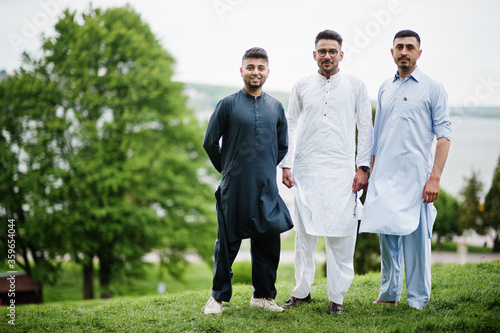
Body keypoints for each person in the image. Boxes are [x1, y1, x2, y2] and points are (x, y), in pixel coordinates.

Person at [280, 30, 373, 315]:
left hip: (342, 172)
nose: (327, 56)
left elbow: (365, 127)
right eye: (322, 51)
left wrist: (363, 168)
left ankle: (337, 298)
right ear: (314, 54)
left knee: (341, 235)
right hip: (306, 169)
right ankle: (302, 291)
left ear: (341, 54)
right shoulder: (302, 85)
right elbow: (290, 124)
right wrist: (286, 162)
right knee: (305, 236)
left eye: (332, 51)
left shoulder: (356, 86)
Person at [359, 30, 452, 310]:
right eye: (399, 47)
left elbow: (444, 135)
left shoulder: (433, 88)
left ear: (419, 53)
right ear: (392, 52)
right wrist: (369, 172)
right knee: (387, 239)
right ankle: (389, 294)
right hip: (383, 177)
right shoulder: (385, 87)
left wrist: (434, 178)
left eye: (410, 47)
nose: (404, 52)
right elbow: (377, 135)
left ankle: (418, 300)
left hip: (415, 179)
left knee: (416, 243)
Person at [202, 47, 293, 315]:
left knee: (268, 240)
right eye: (250, 67)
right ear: (241, 70)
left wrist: (263, 167)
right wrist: (228, 169)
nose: (256, 72)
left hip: (266, 187)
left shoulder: (276, 107)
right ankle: (217, 299)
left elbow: (282, 146)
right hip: (235, 188)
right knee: (227, 244)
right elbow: (209, 142)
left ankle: (263, 296)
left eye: (260, 67)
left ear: (267, 72)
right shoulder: (228, 104)